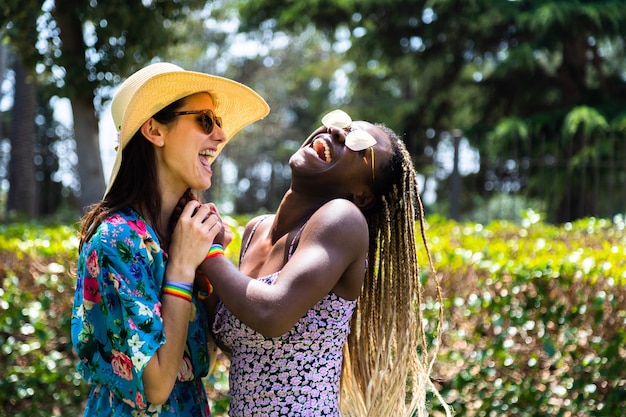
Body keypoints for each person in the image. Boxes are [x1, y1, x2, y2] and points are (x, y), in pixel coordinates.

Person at [197, 109, 449, 417]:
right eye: (342, 123)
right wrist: (204, 261)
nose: (340, 132)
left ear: (362, 196)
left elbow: (271, 314)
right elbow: (241, 341)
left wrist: (208, 253)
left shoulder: (343, 219)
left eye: (360, 144)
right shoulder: (255, 230)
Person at [70, 61, 269, 416]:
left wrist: (212, 259)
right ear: (154, 131)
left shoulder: (184, 233)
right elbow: (158, 386)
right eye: (204, 121)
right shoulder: (117, 240)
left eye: (218, 123)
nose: (220, 137)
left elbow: (215, 350)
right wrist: (181, 266)